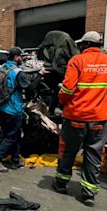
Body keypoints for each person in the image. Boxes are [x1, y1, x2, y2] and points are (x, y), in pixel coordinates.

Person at [53, 31, 107, 207]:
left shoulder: (77, 61)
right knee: (93, 154)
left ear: (84, 45)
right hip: (99, 119)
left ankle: (61, 183)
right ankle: (89, 193)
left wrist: (61, 100)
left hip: (76, 116)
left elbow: (67, 89)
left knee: (68, 150)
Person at [0, 47, 36, 172]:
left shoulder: (3, 68)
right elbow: (29, 87)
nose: (22, 58)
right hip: (13, 109)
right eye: (21, 56)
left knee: (13, 135)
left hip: (2, 107)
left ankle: (15, 160)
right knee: (11, 136)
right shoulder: (18, 72)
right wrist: (39, 76)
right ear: (16, 57)